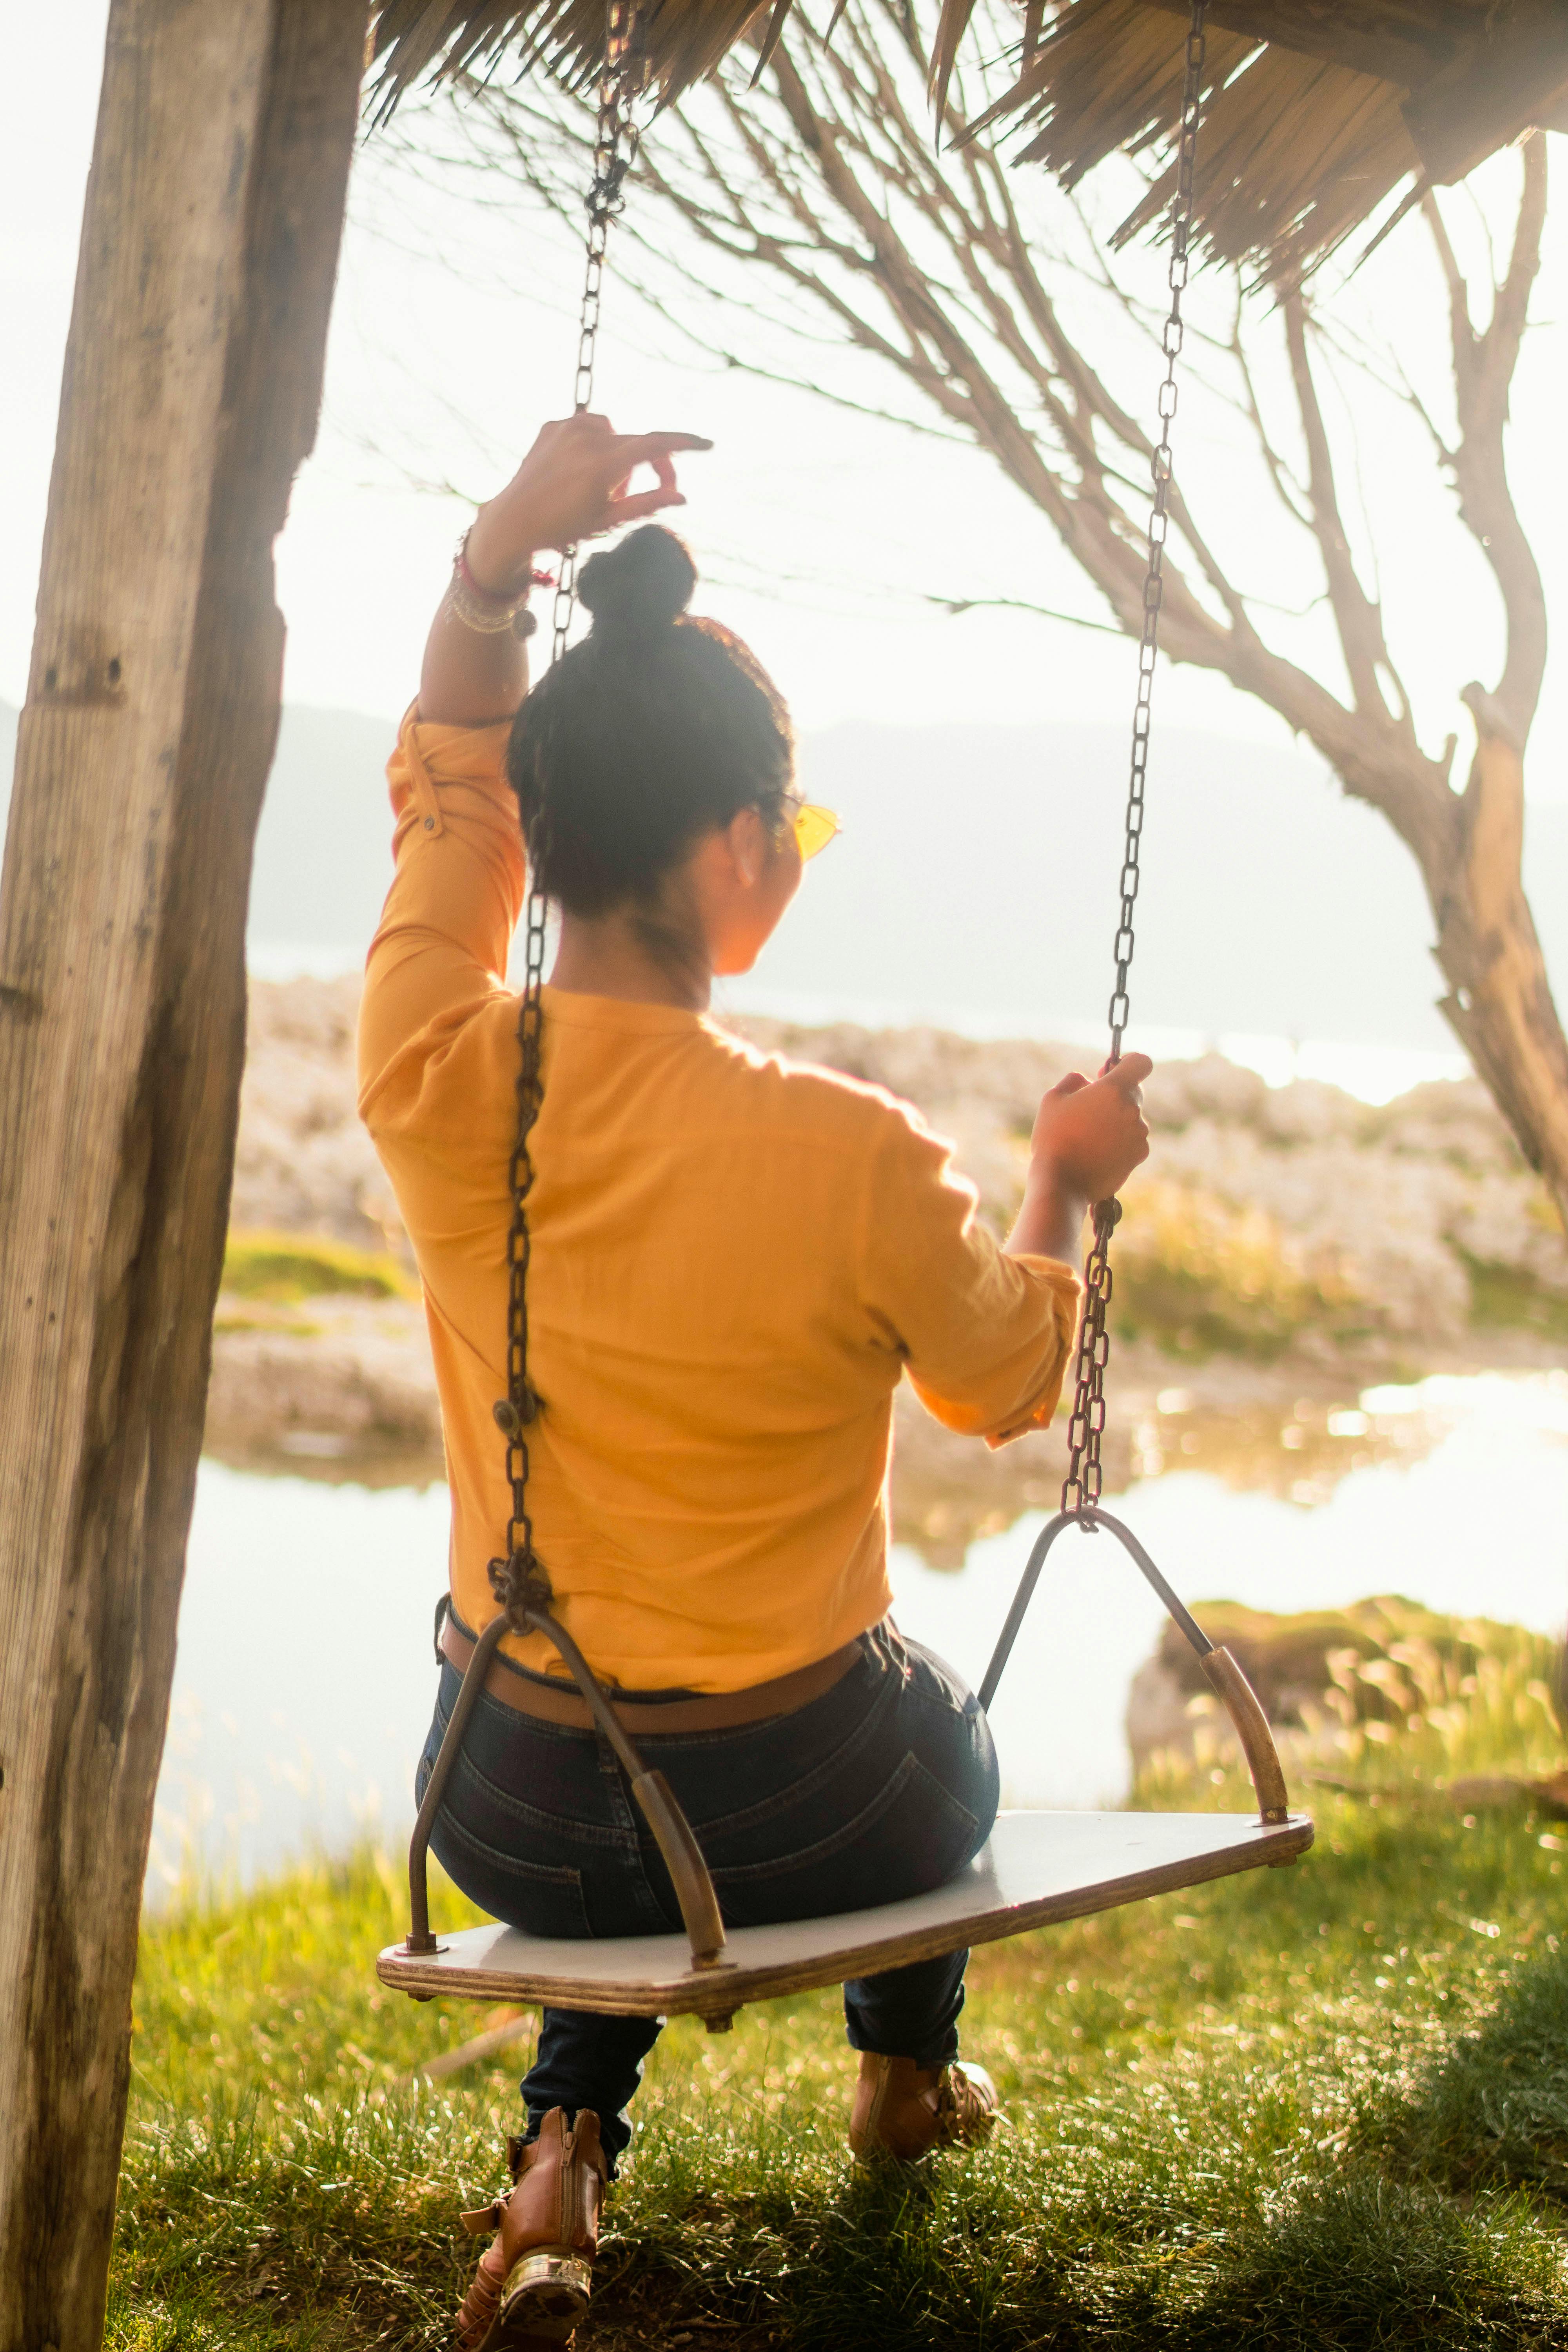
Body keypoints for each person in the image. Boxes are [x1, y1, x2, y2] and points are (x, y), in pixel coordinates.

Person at [358, 412, 1152, 2351]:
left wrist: (493, 561)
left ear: (559, 840)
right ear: (734, 852)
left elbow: (448, 795)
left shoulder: (433, 1072)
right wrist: (1065, 1181)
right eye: (783, 836)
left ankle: (561, 2156)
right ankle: (899, 2078)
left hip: (502, 1804)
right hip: (816, 1803)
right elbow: (1001, 1387)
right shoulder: (852, 1151)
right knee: (933, 1731)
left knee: (609, 1742)